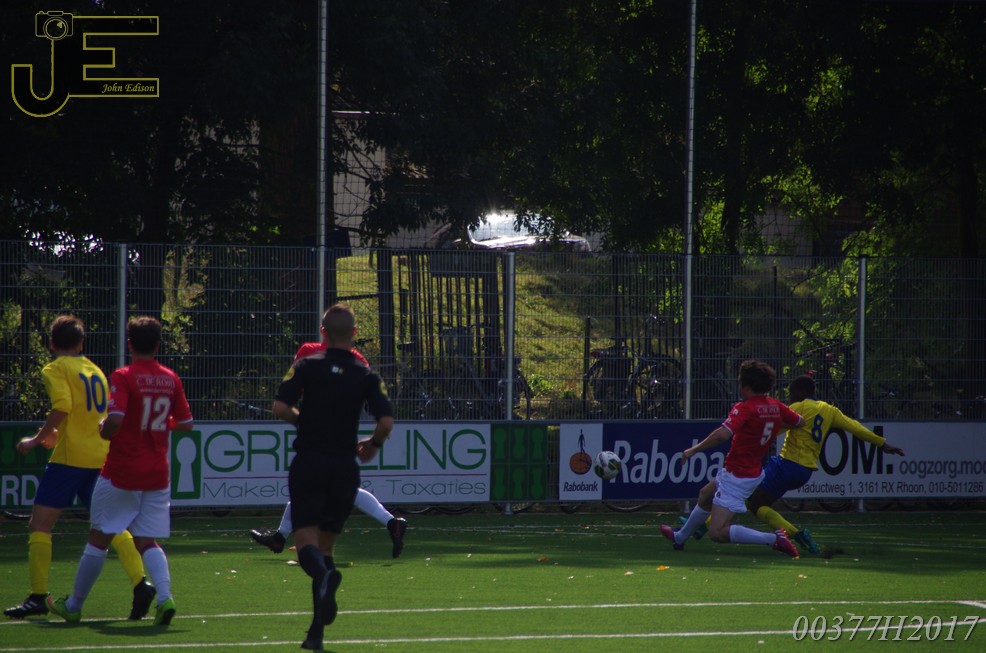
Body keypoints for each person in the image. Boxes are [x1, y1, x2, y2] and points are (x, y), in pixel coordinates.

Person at [4, 315, 153, 621]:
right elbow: (91, 414)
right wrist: (57, 432)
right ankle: (141, 583)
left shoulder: (56, 368)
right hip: (100, 456)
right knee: (111, 524)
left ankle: (37, 596)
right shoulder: (94, 370)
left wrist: (37, 439)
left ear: (51, 344)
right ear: (82, 343)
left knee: (40, 525)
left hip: (70, 459)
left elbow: (63, 406)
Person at [47, 316, 194, 626]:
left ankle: (73, 605)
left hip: (123, 470)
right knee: (147, 540)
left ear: (129, 344)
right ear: (158, 345)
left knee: (99, 537)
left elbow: (115, 419)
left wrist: (105, 430)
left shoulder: (124, 376)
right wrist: (157, 424)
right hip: (157, 473)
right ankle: (165, 599)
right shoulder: (171, 378)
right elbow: (186, 423)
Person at [272, 303, 393, 651]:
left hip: (310, 462)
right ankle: (315, 634)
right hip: (344, 467)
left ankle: (324, 578)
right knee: (326, 547)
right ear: (354, 334)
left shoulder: (306, 365)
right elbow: (386, 422)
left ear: (323, 333)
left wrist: (302, 420)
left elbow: (280, 407)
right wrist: (373, 444)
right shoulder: (366, 373)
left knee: (306, 544)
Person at [250, 335, 407, 559]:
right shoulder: (355, 357)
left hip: (319, 429)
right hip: (341, 427)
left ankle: (281, 538)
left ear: (324, 330)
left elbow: (293, 392)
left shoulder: (309, 351)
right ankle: (392, 523)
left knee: (312, 486)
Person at [746, 374, 905, 553]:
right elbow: (854, 426)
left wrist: (753, 439)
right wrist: (881, 443)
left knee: (754, 502)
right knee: (755, 499)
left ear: (802, 392)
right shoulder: (829, 410)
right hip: (804, 472)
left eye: (792, 393)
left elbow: (775, 427)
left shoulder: (799, 406)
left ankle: (796, 534)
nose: (790, 398)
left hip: (786, 464)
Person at [661, 359, 805, 557]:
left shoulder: (746, 408)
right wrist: (771, 428)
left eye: (739, 382)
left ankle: (773, 539)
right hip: (749, 470)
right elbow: (800, 422)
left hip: (738, 475)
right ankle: (679, 537)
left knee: (717, 532)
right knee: (705, 495)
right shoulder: (776, 406)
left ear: (746, 386)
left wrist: (693, 450)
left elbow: (722, 435)